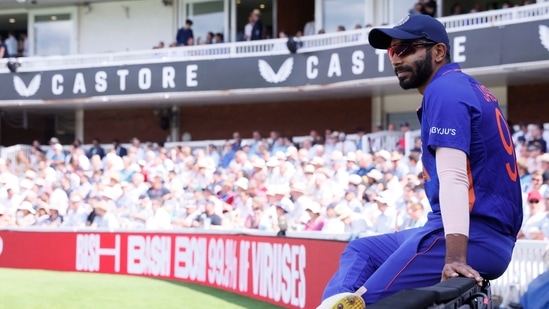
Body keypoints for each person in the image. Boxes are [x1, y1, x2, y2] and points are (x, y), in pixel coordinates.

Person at [318, 14, 523, 308]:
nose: (395, 60)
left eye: (404, 49)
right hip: (470, 229)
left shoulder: (444, 89)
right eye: (391, 51)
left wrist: (455, 257)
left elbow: (454, 177)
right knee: (361, 250)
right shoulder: (464, 87)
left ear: (438, 52)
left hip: (472, 235)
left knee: (372, 303)